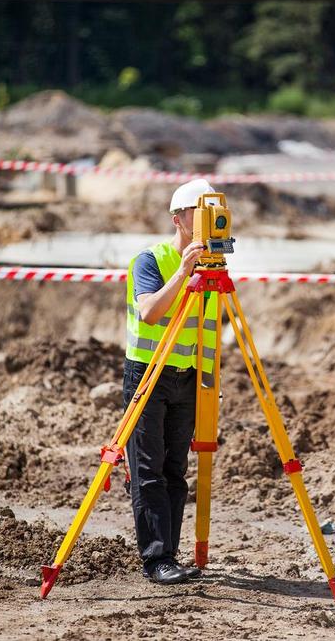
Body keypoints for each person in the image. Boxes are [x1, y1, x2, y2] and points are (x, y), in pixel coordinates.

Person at [123, 178, 218, 585]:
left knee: (175, 469)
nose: (210, 222)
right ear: (180, 219)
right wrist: (183, 272)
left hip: (188, 377)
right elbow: (149, 314)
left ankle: (170, 557)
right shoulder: (150, 260)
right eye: (202, 214)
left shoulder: (212, 267)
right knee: (148, 471)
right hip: (148, 374)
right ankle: (155, 559)